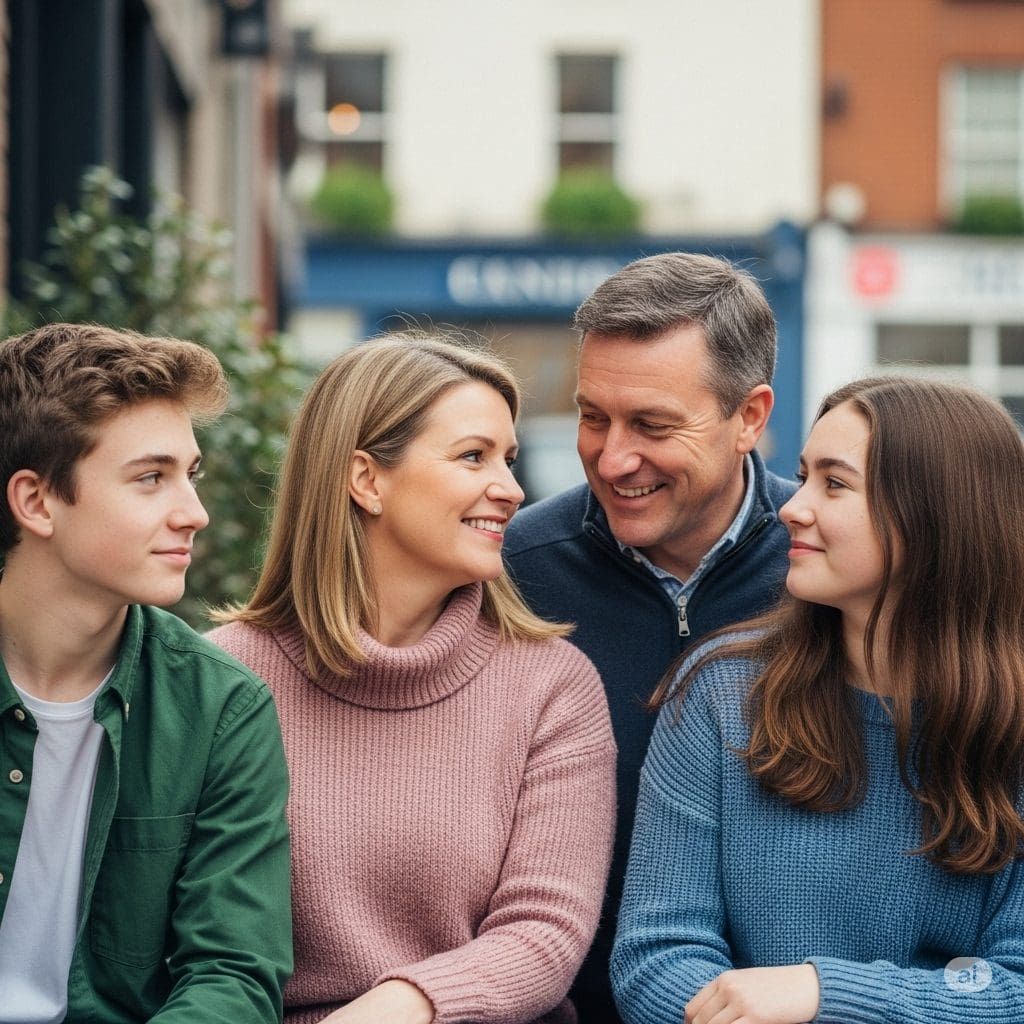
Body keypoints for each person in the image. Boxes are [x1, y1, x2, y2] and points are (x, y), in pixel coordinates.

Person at [208, 333, 617, 1024]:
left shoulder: (552, 687)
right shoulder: (221, 678)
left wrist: (400, 1006)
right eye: (472, 457)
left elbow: (544, 932)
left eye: (508, 460)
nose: (512, 491)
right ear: (366, 479)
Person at [611, 376, 1024, 1024]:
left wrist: (822, 995)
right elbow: (657, 959)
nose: (791, 507)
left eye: (833, 484)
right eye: (803, 477)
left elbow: (1014, 987)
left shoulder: (1012, 725)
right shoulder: (721, 694)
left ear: (934, 514)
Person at [503, 252, 796, 1018]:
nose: (612, 456)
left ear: (751, 417)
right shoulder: (511, 572)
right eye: (592, 416)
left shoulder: (833, 566)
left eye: (652, 425)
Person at [0, 323, 292, 1023]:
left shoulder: (223, 707)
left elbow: (232, 974)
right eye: (150, 478)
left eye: (189, 476)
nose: (194, 513)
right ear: (36, 501)